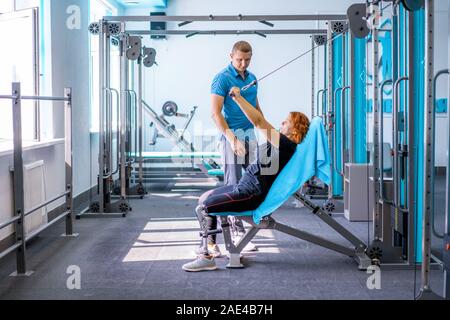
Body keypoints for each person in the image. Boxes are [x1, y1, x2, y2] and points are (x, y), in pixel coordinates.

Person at [183, 87, 310, 271]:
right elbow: (260, 118)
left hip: (250, 193)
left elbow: (258, 121)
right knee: (203, 199)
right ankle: (211, 246)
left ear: (295, 128)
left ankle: (206, 257)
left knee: (204, 207)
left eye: (287, 121)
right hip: (242, 187)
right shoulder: (281, 140)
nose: (282, 121)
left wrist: (238, 98)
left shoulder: (286, 144)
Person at [210, 41, 262, 256]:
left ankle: (246, 229)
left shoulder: (252, 79)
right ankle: (237, 232)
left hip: (250, 134)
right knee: (234, 184)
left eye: (247, 60)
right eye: (239, 59)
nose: (243, 63)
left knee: (253, 182)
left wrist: (265, 130)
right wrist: (231, 139)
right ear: (230, 56)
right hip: (232, 136)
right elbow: (215, 113)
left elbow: (256, 107)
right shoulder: (222, 78)